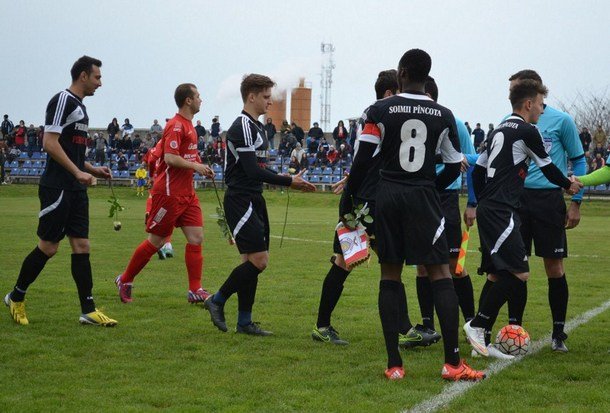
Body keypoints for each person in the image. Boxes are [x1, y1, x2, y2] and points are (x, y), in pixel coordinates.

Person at [342, 49, 483, 381]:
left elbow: (361, 163)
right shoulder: (444, 114)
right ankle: (452, 363)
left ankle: (394, 365)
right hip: (423, 196)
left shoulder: (379, 110)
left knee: (390, 275)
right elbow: (454, 164)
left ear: (402, 73)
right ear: (426, 74)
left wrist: (349, 207)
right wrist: (431, 187)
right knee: (440, 274)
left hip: (388, 195)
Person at [464, 79, 581, 358]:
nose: (542, 110)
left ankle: (482, 340)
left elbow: (477, 172)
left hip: (493, 208)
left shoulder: (498, 130)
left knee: (497, 272)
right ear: (528, 104)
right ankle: (478, 324)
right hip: (504, 210)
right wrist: (569, 185)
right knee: (520, 272)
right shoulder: (529, 131)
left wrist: (482, 202)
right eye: (540, 104)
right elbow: (549, 167)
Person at [3, 55, 117, 326]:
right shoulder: (62, 100)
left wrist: (90, 168)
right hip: (57, 186)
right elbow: (49, 143)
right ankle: (15, 297)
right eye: (97, 77)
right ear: (83, 76)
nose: (100, 83)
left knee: (82, 245)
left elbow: (71, 151)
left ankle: (88, 310)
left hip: (75, 187)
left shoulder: (82, 108)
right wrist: (77, 172)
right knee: (49, 247)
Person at [203, 73, 315, 336]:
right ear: (251, 96)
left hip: (254, 198)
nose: (269, 101)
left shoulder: (257, 127)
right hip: (241, 199)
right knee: (259, 261)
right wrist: (289, 181)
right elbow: (252, 171)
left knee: (250, 260)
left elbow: (259, 169)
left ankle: (244, 322)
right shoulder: (241, 126)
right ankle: (216, 300)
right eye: (265, 97)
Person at [312, 69, 412, 346]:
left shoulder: (372, 114)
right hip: (367, 200)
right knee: (351, 261)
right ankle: (323, 326)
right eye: (400, 92)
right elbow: (365, 159)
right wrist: (350, 194)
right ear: (390, 94)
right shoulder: (379, 115)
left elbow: (366, 158)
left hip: (371, 197)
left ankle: (405, 329)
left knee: (387, 261)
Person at [115, 83, 215, 305]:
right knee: (157, 241)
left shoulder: (190, 127)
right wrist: (197, 167)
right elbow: (170, 158)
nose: (201, 99)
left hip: (187, 195)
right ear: (188, 100)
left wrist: (201, 165)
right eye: (198, 96)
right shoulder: (176, 125)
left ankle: (195, 290)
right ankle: (125, 279)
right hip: (168, 194)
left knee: (196, 238)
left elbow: (187, 156)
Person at [409, 76, 477, 349]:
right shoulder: (411, 125)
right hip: (419, 198)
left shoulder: (454, 123)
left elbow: (472, 162)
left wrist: (472, 203)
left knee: (453, 268)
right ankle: (427, 325)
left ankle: (473, 323)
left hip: (446, 199)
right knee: (422, 266)